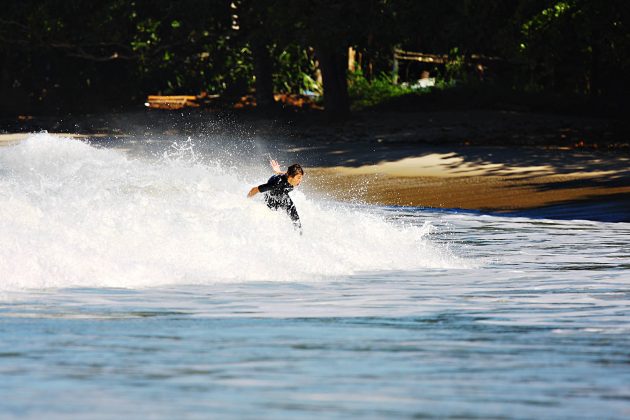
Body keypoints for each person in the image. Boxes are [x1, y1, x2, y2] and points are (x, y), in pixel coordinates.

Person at [247, 160, 304, 232]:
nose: (300, 180)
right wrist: (246, 201)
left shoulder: (290, 179)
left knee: (296, 219)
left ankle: (300, 237)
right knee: (273, 215)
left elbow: (286, 174)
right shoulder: (276, 184)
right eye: (298, 178)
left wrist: (278, 171)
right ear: (290, 177)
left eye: (301, 178)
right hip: (271, 198)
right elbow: (255, 189)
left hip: (283, 195)